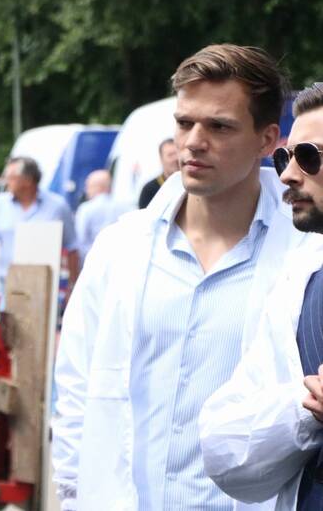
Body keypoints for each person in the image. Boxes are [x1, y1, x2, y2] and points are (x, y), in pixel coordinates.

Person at [51, 44, 312, 511]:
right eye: (184, 122)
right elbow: (75, 392)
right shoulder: (119, 249)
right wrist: (72, 496)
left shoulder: (305, 255)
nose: (192, 141)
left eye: (219, 126)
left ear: (267, 139)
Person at [199, 83, 323, 510]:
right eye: (285, 157)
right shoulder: (302, 281)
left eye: (310, 156)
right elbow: (224, 447)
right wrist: (306, 405)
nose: (288, 173)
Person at [0, 157, 79, 292]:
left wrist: (73, 286)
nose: (6, 182)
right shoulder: (0, 203)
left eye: (11, 177)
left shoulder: (57, 206)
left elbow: (72, 246)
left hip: (44, 287)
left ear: (28, 181)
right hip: (7, 284)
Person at [74, 169, 128, 264]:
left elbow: (80, 239)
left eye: (88, 186)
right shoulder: (125, 207)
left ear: (98, 187)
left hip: (93, 261)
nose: (86, 191)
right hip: (120, 260)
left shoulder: (85, 209)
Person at [138, 138, 179, 208]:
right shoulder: (149, 189)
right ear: (161, 159)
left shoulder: (189, 185)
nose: (175, 159)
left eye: (177, 153)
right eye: (170, 155)